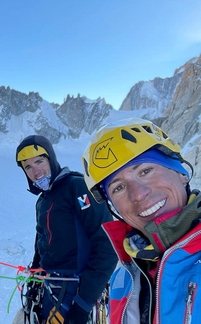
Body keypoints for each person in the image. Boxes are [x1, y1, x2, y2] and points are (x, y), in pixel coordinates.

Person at [82, 117, 201, 324]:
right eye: (118, 188)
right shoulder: (123, 278)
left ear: (181, 172)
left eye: (145, 171)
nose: (137, 195)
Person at [16, 135, 117, 324]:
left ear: (51, 159)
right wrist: (36, 275)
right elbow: (42, 242)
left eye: (39, 161)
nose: (35, 171)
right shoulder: (43, 200)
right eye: (28, 167)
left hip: (79, 290)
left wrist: (83, 304)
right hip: (51, 289)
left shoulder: (77, 187)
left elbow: (107, 245)